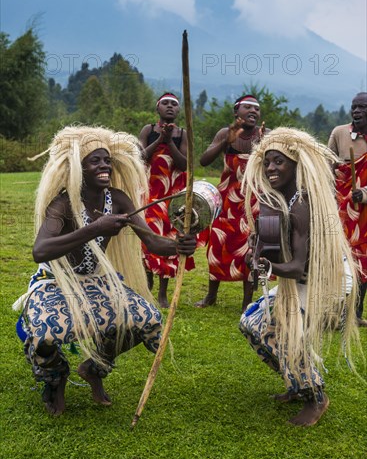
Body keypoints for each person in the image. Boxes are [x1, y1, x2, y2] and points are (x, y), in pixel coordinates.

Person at [14, 126, 196, 416]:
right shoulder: (63, 203)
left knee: (146, 319)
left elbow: (151, 241)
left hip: (96, 281)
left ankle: (94, 368)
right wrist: (93, 229)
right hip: (56, 283)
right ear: (79, 168)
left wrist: (178, 245)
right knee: (46, 334)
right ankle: (55, 379)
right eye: (94, 161)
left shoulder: (118, 199)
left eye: (107, 160)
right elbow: (40, 251)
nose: (104, 166)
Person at [239, 127, 360, 427]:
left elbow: (296, 267)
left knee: (286, 334)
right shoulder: (279, 198)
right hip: (300, 276)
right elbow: (270, 243)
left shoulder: (303, 204)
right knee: (251, 323)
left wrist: (265, 267)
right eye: (267, 163)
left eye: (279, 162)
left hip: (326, 280)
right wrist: (255, 253)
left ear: (295, 164)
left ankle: (316, 397)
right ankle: (297, 383)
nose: (271, 168)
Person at [195, 95, 269, 311]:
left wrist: (265, 146)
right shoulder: (225, 133)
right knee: (218, 244)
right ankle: (211, 295)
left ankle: (247, 301)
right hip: (226, 200)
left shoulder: (266, 135)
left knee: (251, 247)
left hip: (253, 200)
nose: (253, 111)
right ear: (237, 112)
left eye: (256, 109)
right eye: (248, 107)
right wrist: (224, 142)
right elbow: (204, 160)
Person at [139, 93, 197, 308]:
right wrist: (160, 141)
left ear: (179, 110)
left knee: (171, 238)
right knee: (147, 238)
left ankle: (163, 292)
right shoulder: (148, 130)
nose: (170, 107)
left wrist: (170, 142)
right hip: (150, 194)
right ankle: (147, 282)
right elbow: (140, 156)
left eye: (174, 104)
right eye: (166, 103)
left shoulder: (182, 134)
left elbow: (184, 164)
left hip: (173, 196)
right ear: (158, 108)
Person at [328, 92, 367, 326]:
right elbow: (326, 164)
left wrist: (364, 194)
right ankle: (335, 311)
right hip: (342, 209)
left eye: (362, 107)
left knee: (364, 261)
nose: (357, 111)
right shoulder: (339, 133)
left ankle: (356, 313)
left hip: (364, 213)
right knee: (340, 256)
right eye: (354, 107)